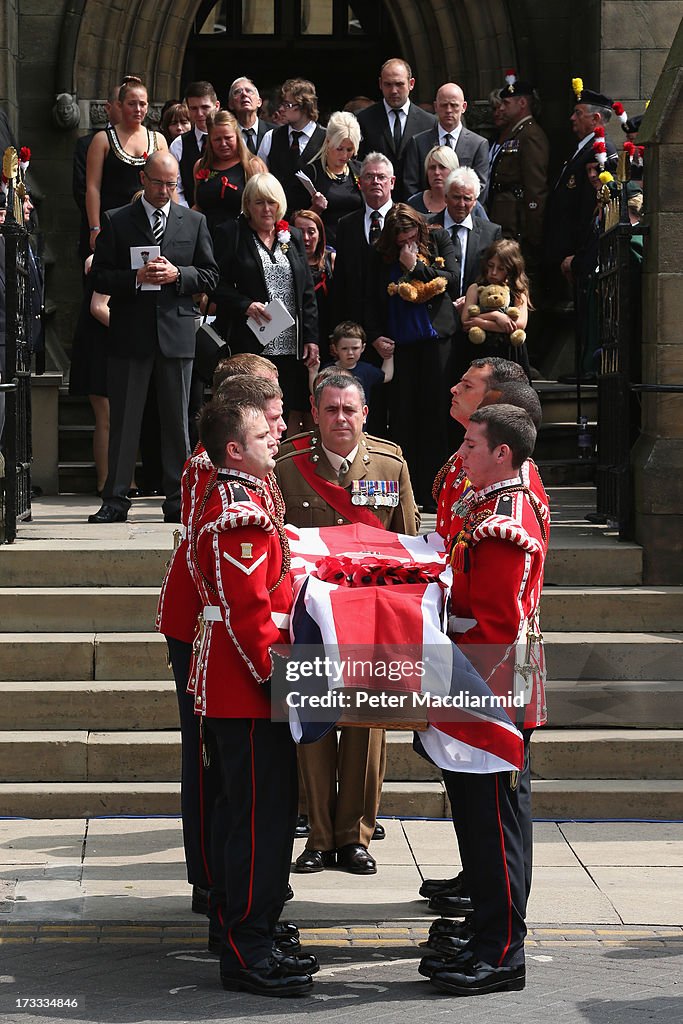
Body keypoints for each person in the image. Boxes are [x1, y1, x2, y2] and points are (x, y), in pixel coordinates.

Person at [190, 395, 316, 997]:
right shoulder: (240, 510)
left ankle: (251, 929)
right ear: (234, 449)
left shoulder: (249, 496)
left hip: (239, 682)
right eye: (263, 432)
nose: (277, 433)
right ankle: (248, 946)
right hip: (244, 687)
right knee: (259, 822)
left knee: (256, 816)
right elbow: (248, 613)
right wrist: (280, 679)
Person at [422, 404, 548, 997]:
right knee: (479, 819)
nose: (462, 453)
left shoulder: (504, 516)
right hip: (481, 683)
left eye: (472, 445)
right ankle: (486, 936)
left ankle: (501, 953)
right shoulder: (492, 499)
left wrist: (434, 639)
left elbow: (495, 624)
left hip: (488, 687)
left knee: (494, 825)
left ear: (502, 453)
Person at [275, 373, 419, 875]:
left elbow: (409, 543)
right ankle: (316, 834)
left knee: (365, 730)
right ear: (314, 414)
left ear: (365, 414)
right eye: (331, 409)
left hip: (369, 618)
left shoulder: (389, 461)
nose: (341, 418)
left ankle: (353, 835)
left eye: (349, 410)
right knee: (312, 725)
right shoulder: (287, 465)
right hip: (312, 619)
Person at [87, 151, 219, 525]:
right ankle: (115, 498)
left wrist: (178, 274)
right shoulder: (117, 220)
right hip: (130, 334)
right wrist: (135, 278)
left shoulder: (193, 222)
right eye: (158, 182)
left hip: (176, 334)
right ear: (143, 180)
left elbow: (210, 276)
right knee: (125, 420)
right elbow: (98, 277)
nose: (165, 190)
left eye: (172, 183)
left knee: (177, 423)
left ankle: (179, 500)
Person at [365, 203, 458, 507]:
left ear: (419, 226)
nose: (406, 237)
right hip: (399, 346)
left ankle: (433, 492)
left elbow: (452, 277)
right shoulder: (380, 256)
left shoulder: (440, 238)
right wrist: (376, 335)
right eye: (399, 233)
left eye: (410, 230)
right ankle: (405, 493)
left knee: (435, 415)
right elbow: (373, 299)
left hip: (435, 343)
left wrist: (415, 267)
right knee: (403, 416)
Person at [212, 172, 319, 433]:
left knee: (290, 409)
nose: (266, 208)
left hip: (290, 344)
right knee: (253, 410)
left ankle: (284, 469)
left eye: (271, 202)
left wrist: (311, 338)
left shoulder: (291, 235)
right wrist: (245, 305)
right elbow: (214, 283)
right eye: (259, 202)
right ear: (248, 204)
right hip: (252, 341)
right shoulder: (232, 234)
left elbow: (306, 291)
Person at [85, 76, 167, 252]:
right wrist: (95, 228)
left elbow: (169, 183)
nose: (138, 109)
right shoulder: (102, 140)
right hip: (114, 221)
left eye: (143, 104)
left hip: (151, 222)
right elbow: (93, 187)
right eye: (132, 104)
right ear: (120, 105)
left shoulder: (158, 139)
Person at [488, 75, 549, 276]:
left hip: (517, 221)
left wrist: (533, 234)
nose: (502, 108)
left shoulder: (530, 135)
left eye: (506, 103)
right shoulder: (515, 133)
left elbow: (535, 187)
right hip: (505, 216)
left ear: (522, 103)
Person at [357, 58, 436, 200]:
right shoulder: (364, 120)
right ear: (380, 84)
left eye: (399, 84)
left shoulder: (429, 123)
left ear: (411, 84)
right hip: (376, 203)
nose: (394, 91)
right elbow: (358, 165)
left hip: (416, 206)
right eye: (388, 84)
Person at [403, 82, 490, 201]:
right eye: (444, 105)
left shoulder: (478, 144)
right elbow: (410, 184)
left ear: (463, 107)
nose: (449, 110)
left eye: (454, 105)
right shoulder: (418, 142)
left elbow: (481, 187)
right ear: (436, 106)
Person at [460, 238, 532, 379]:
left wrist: (481, 322)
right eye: (490, 266)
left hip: (508, 352)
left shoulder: (519, 291)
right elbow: (466, 320)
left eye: (500, 269)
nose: (493, 272)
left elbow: (519, 325)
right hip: (481, 349)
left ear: (511, 269)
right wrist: (497, 316)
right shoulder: (476, 288)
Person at [191, 110, 266, 237]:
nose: (223, 144)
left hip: (240, 238)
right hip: (206, 237)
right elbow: (198, 206)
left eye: (228, 138)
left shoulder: (252, 166)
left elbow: (264, 207)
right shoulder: (201, 166)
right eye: (217, 139)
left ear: (237, 136)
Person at [257, 78, 327, 215]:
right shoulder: (271, 137)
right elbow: (260, 180)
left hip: (315, 220)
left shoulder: (327, 140)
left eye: (287, 105)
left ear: (304, 106)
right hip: (277, 217)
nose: (281, 109)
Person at [304, 110, 363, 248]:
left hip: (355, 245)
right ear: (328, 142)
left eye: (349, 150)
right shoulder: (311, 173)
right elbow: (298, 219)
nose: (344, 155)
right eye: (339, 148)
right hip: (324, 249)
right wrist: (315, 208)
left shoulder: (360, 170)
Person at [322, 321, 393, 411]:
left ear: (362, 348)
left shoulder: (366, 370)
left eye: (355, 348)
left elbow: (386, 376)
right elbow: (317, 390)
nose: (350, 353)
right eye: (344, 348)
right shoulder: (328, 370)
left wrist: (389, 355)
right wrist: (313, 371)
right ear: (335, 349)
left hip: (358, 421)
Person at [170, 81, 220, 208]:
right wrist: (188, 215)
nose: (199, 114)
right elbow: (176, 187)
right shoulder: (179, 145)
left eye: (205, 107)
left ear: (217, 106)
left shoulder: (232, 140)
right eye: (194, 108)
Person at [292, 209, 334, 359]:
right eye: (299, 231)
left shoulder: (331, 260)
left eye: (311, 232)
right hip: (297, 334)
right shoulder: (285, 262)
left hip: (327, 333)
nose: (305, 238)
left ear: (320, 235)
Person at [406, 144, 459, 216]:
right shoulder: (413, 203)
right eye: (432, 167)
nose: (437, 172)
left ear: (453, 170)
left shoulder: (465, 203)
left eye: (442, 167)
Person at [227, 77, 276, 155]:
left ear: (259, 102)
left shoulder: (275, 133)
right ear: (231, 104)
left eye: (249, 91)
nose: (244, 94)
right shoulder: (226, 135)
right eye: (237, 92)